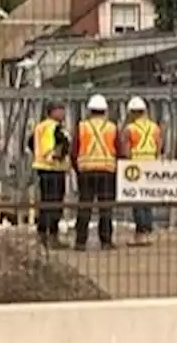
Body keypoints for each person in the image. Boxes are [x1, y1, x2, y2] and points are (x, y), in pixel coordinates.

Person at [72, 93, 129, 251]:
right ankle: (105, 241)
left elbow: (74, 151)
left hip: (86, 171)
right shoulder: (112, 127)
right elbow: (120, 151)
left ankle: (80, 241)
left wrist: (78, 169)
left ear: (89, 110)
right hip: (106, 172)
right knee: (106, 207)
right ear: (105, 110)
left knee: (84, 206)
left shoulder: (82, 126)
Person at [27, 100, 71, 248]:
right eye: (60, 109)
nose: (63, 113)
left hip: (42, 168)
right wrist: (57, 156)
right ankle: (52, 235)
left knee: (46, 203)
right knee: (55, 204)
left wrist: (39, 155)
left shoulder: (40, 127)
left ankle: (42, 235)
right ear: (52, 112)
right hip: (54, 169)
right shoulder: (55, 127)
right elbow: (63, 145)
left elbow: (31, 142)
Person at [124, 96, 162, 246]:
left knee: (137, 201)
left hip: (135, 166)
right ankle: (148, 231)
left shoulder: (129, 129)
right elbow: (159, 146)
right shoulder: (154, 127)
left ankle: (140, 232)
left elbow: (127, 151)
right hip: (151, 164)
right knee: (147, 200)